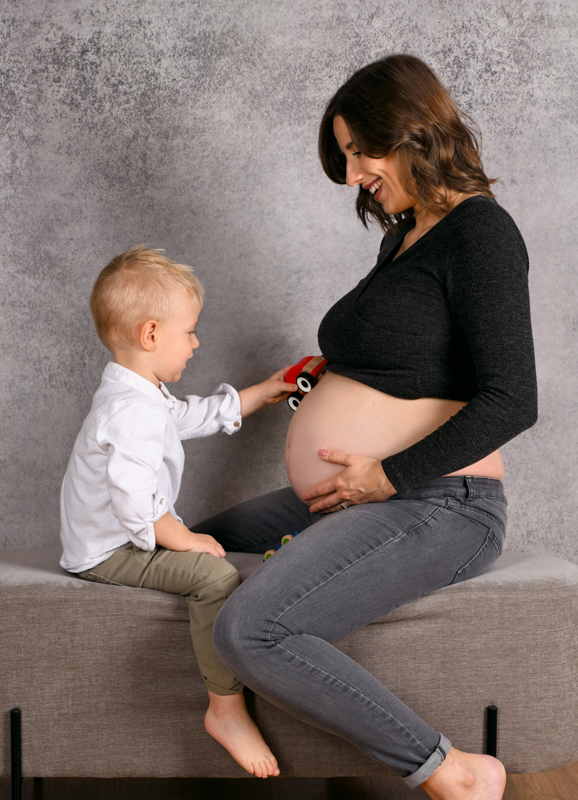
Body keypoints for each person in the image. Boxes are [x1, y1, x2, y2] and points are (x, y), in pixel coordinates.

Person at [194, 55, 538, 799]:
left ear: (413, 132)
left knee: (250, 630)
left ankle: (450, 772)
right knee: (197, 547)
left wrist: (382, 475)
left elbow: (513, 400)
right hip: (356, 495)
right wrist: (329, 379)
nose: (353, 175)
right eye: (346, 155)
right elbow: (413, 360)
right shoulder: (407, 234)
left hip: (441, 503)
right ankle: (228, 710)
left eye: (360, 151)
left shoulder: (482, 235)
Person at [59, 245, 297, 779]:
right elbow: (133, 496)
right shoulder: (129, 411)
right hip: (107, 550)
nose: (196, 342)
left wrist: (258, 393)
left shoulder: (140, 393)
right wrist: (180, 536)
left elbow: (187, 417)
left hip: (117, 534)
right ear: (150, 335)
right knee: (215, 576)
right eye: (189, 331)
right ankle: (225, 709)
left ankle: (228, 703)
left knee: (214, 556)